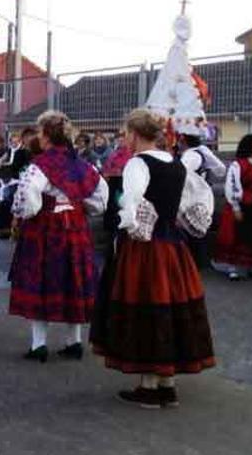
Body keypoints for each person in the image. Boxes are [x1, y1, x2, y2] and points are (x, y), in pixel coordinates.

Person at [91, 108, 215, 409]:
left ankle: (148, 386)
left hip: (145, 248)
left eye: (125, 133)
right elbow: (195, 201)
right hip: (173, 248)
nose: (124, 139)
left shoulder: (138, 163)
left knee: (144, 307)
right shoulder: (176, 162)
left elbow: (131, 203)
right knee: (169, 309)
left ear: (134, 134)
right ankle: (167, 385)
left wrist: (126, 225)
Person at [10, 112, 108, 362]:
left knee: (42, 280)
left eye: (41, 133)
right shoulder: (81, 164)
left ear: (48, 135)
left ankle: (39, 345)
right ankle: (73, 342)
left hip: (45, 228)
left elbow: (28, 194)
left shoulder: (41, 164)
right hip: (75, 227)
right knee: (72, 280)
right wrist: (82, 207)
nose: (39, 138)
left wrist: (26, 213)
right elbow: (100, 195)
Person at [212, 134, 252, 281]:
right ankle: (233, 267)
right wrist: (235, 207)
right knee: (237, 235)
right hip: (243, 204)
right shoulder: (238, 165)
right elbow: (232, 186)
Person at [177, 122, 226, 268]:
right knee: (198, 230)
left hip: (192, 198)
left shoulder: (191, 156)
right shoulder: (199, 153)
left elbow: (180, 175)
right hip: (201, 198)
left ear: (184, 140)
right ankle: (197, 264)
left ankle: (192, 265)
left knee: (192, 232)